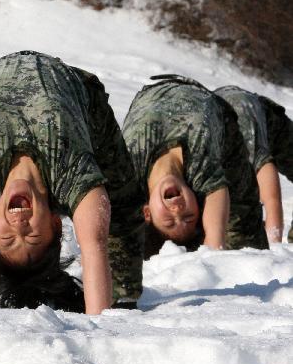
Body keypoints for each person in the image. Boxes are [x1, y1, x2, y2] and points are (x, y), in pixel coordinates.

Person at [0, 51, 144, 314]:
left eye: (7, 237)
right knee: (122, 201)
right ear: (55, 223)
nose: (19, 225)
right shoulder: (71, 176)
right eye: (33, 235)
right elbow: (94, 247)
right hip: (75, 87)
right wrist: (103, 329)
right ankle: (127, 298)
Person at [122, 75, 267, 257]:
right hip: (224, 125)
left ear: (147, 213)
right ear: (200, 206)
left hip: (154, 87)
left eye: (169, 222)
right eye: (189, 217)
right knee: (245, 226)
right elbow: (216, 197)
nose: (177, 211)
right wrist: (214, 253)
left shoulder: (129, 172)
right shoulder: (200, 169)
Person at [213, 85, 293, 243]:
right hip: (218, 106)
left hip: (266, 120)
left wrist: (274, 245)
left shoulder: (248, 139)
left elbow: (272, 199)